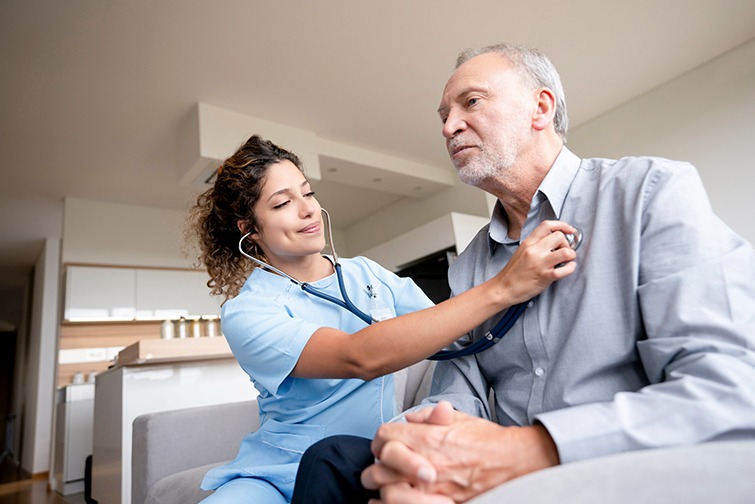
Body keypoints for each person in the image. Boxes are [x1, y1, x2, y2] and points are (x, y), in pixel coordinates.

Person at [291, 43, 755, 503]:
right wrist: (416, 451)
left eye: (470, 102)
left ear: (541, 107)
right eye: (443, 116)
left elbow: (732, 389)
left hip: (612, 469)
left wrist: (524, 449)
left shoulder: (647, 193)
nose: (450, 126)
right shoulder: (473, 264)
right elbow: (457, 394)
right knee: (336, 460)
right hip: (500, 477)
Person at [186, 134, 578, 503]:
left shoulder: (364, 275)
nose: (308, 210)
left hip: (367, 458)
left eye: (308, 192)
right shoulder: (248, 311)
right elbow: (359, 357)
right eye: (282, 203)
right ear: (249, 230)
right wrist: (503, 287)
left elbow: (445, 327)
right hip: (276, 472)